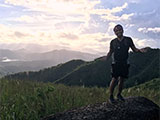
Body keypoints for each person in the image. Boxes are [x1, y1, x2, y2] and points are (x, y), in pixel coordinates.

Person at [102, 24, 147, 103]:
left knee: (122, 79)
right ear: (114, 32)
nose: (118, 32)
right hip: (115, 62)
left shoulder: (128, 40)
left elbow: (134, 49)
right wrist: (106, 58)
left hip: (125, 62)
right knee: (114, 79)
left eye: (119, 30)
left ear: (123, 30)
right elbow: (110, 51)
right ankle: (111, 96)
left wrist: (140, 50)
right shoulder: (113, 42)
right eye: (116, 30)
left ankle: (119, 94)